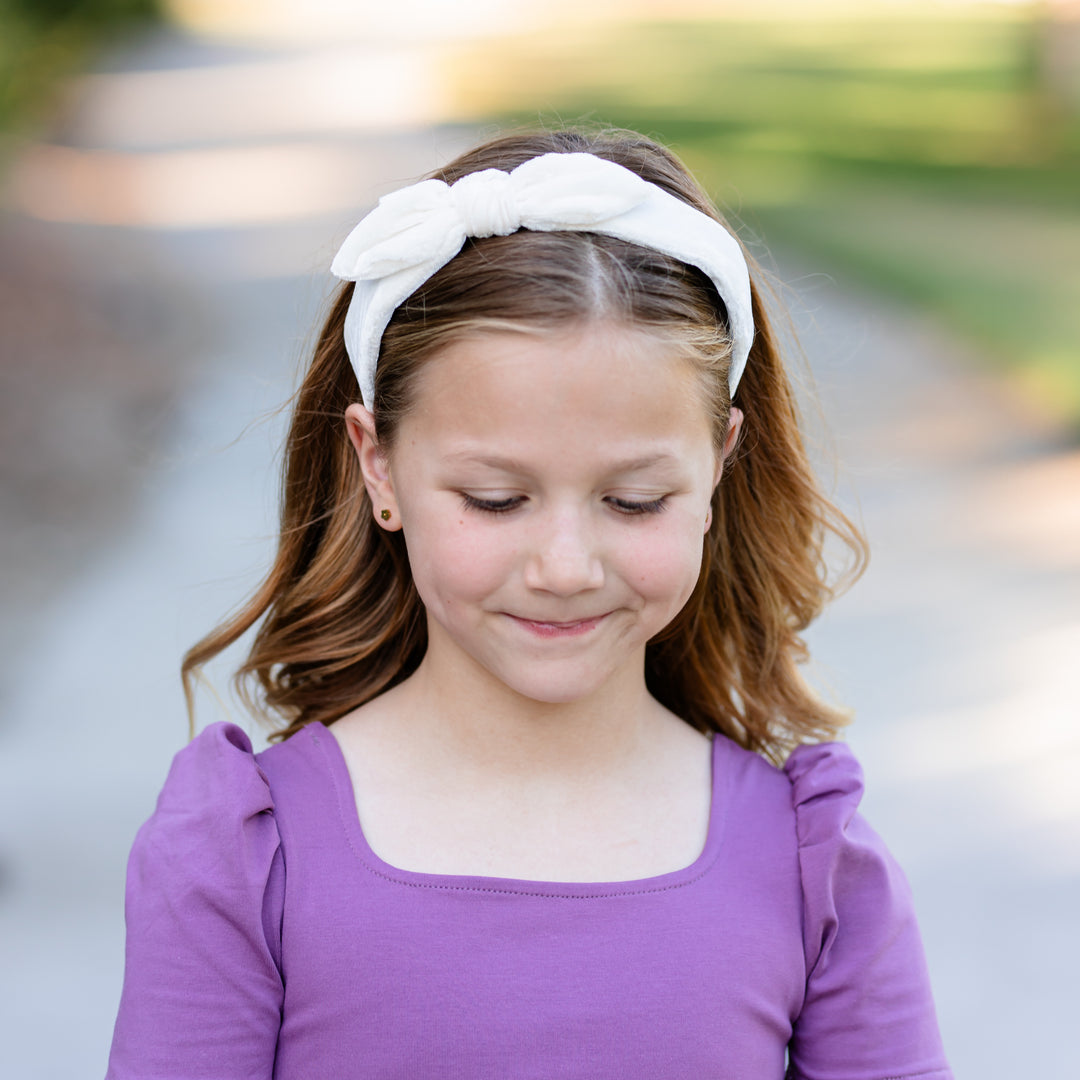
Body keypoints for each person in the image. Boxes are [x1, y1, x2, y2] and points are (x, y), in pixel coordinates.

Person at [106, 128, 953, 1079]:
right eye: (496, 499)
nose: (564, 565)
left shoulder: (811, 867)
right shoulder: (245, 857)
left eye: (634, 501)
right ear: (377, 463)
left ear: (717, 466)